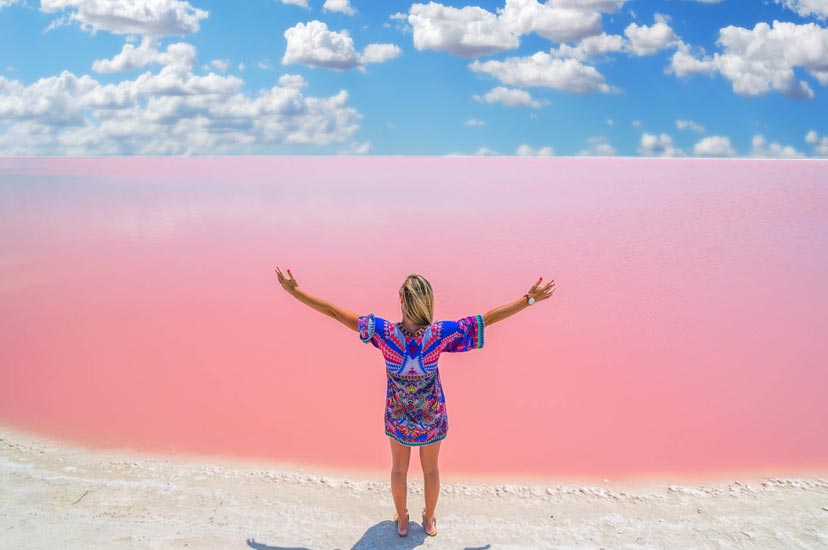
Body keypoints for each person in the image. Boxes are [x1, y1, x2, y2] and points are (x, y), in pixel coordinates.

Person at [274, 268, 556, 537]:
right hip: (432, 415)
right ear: (428, 301)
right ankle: (429, 521)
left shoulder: (382, 332)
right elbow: (488, 319)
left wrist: (295, 292)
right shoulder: (439, 334)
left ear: (401, 299)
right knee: (431, 470)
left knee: (399, 469)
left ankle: (402, 524)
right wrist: (528, 300)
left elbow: (334, 312)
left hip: (398, 415)